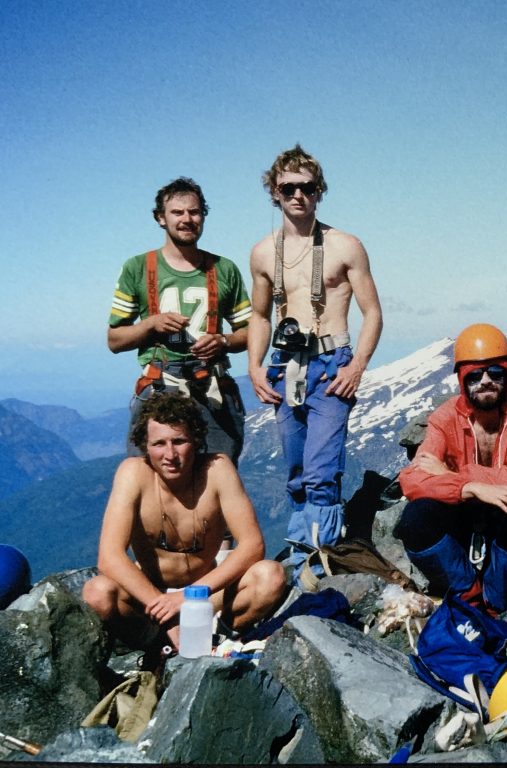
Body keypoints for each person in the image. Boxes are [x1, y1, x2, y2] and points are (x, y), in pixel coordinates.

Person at [248, 145, 383, 581]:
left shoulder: (346, 246)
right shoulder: (263, 253)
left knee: (322, 470)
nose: (298, 195)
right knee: (296, 471)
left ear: (319, 191)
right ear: (274, 191)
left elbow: (373, 313)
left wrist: (356, 365)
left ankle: (318, 560)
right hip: (285, 364)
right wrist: (254, 366)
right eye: (288, 187)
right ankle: (303, 554)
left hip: (332, 361)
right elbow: (259, 314)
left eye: (307, 187)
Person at [82, 393, 286, 649]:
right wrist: (164, 608)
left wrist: (188, 598)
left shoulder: (217, 470)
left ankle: (222, 635)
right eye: (159, 444)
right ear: (145, 445)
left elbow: (253, 546)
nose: (170, 454)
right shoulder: (133, 473)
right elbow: (109, 558)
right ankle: (158, 644)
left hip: (206, 595)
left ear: (196, 441)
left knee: (271, 576)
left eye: (179, 441)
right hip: (151, 596)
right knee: (97, 592)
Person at [396, 324, 507, 614]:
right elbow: (412, 480)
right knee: (415, 517)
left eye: (495, 374)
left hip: (503, 518)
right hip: (461, 513)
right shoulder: (445, 418)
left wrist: (450, 474)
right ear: (461, 381)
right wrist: (469, 488)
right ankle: (468, 594)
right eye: (474, 375)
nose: (485, 382)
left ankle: (496, 600)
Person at [108, 177, 251, 464]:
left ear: (203, 216)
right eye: (177, 212)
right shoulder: (137, 268)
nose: (187, 219)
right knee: (149, 482)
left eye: (194, 212)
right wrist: (150, 324)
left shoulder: (224, 269)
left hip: (212, 389)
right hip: (160, 386)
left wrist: (223, 341)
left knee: (217, 482)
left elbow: (250, 331)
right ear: (160, 218)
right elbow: (114, 340)